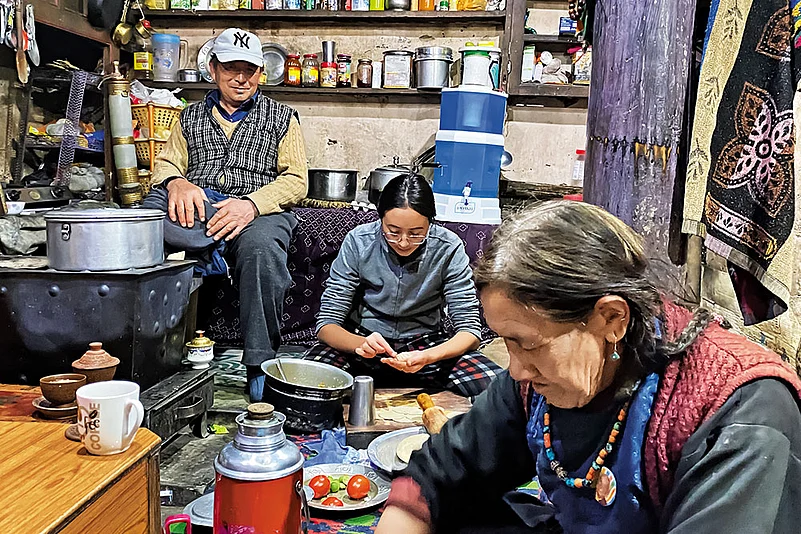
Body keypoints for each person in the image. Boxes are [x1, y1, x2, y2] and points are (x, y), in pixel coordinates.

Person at [377, 201, 801, 533]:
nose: (517, 370)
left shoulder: (742, 412)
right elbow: (441, 472)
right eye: (507, 344)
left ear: (611, 318)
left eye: (528, 345)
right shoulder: (536, 383)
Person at [143, 28, 308, 402]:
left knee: (261, 250)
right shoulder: (189, 117)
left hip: (258, 210)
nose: (241, 78)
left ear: (260, 73)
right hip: (201, 206)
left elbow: (297, 181)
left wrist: (250, 205)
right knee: (145, 219)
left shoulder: (283, 118)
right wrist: (175, 183)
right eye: (231, 68)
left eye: (249, 70)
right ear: (213, 70)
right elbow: (165, 165)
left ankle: (259, 365)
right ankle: (152, 355)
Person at [304, 173, 501, 398]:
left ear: (431, 222)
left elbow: (470, 331)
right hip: (366, 343)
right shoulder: (359, 241)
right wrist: (361, 344)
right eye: (393, 231)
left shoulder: (448, 247)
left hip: (426, 346)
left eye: (417, 234)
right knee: (307, 385)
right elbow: (327, 325)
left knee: (501, 390)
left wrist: (429, 356)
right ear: (380, 219)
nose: (404, 242)